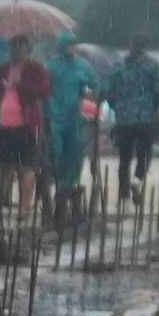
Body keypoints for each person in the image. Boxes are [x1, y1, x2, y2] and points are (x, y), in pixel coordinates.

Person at [0, 35, 50, 212]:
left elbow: (44, 90)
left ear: (28, 51)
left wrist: (20, 85)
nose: (16, 52)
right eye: (13, 48)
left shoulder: (36, 69)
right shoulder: (1, 70)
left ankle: (24, 209)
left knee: (27, 168)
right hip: (2, 127)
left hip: (26, 127)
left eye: (20, 48)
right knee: (1, 167)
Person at [43, 32, 102, 215]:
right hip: (55, 116)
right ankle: (57, 181)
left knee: (76, 150)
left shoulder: (82, 65)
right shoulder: (50, 66)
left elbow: (96, 83)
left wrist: (90, 91)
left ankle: (68, 183)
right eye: (68, 44)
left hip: (74, 117)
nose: (72, 48)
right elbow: (44, 89)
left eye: (73, 44)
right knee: (56, 149)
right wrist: (49, 108)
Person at [105, 42, 159, 206]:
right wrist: (153, 107)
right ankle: (137, 180)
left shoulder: (118, 67)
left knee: (124, 157)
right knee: (144, 155)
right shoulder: (153, 66)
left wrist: (117, 107)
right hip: (145, 118)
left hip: (124, 119)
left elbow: (109, 92)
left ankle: (123, 194)